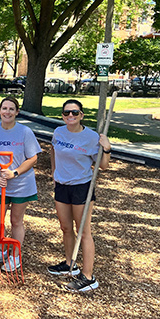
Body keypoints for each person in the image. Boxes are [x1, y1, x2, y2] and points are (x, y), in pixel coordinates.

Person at [48, 99, 111, 292]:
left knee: (83, 231)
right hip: (62, 186)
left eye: (74, 113)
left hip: (81, 186)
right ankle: (70, 263)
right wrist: (53, 170)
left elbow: (103, 165)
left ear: (81, 115)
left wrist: (107, 148)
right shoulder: (58, 132)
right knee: (66, 227)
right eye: (67, 113)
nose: (70, 116)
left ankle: (88, 276)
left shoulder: (91, 137)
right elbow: (53, 149)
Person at [0, 97, 42, 272]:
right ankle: (1, 249)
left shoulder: (25, 132)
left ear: (17, 112)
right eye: (4, 108)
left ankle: (15, 255)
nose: (7, 112)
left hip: (21, 184)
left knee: (16, 220)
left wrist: (14, 172)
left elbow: (33, 158)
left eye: (11, 109)